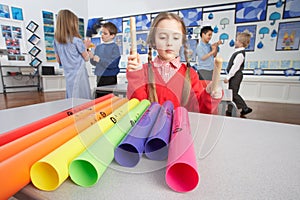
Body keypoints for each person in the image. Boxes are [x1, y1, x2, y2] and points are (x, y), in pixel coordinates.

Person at [126, 12, 222, 114]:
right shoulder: (143, 72)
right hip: (150, 129)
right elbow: (138, 109)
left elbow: (199, 109)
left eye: (176, 38)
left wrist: (209, 95)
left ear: (182, 42)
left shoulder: (190, 74)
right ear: (154, 41)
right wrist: (136, 75)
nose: (169, 43)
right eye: (162, 37)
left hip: (180, 129)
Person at [54, 9, 91, 99]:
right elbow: (86, 58)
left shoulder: (56, 41)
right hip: (79, 72)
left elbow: (59, 61)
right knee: (83, 95)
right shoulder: (76, 40)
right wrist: (86, 47)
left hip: (68, 73)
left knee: (71, 95)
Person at [224, 31, 252, 117]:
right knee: (231, 93)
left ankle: (245, 108)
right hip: (235, 76)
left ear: (240, 43)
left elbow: (235, 67)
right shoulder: (238, 52)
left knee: (233, 94)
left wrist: (228, 77)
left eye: (236, 40)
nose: (235, 42)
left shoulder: (240, 54)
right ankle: (229, 110)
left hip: (236, 76)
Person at [89, 22, 121, 98]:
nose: (102, 35)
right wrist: (92, 57)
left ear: (112, 35)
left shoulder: (114, 47)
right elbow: (94, 63)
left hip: (110, 78)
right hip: (99, 77)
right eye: (102, 33)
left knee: (109, 99)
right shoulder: (98, 47)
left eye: (105, 33)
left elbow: (113, 64)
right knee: (99, 99)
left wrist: (99, 60)